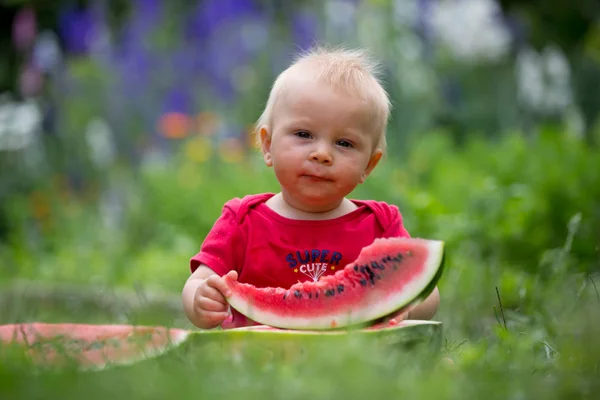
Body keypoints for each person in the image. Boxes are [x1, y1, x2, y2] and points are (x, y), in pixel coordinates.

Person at [182, 46, 440, 330]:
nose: (322, 153)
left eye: (344, 143)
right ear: (267, 146)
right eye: (303, 135)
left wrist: (404, 302)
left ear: (369, 164)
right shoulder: (241, 220)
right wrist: (200, 299)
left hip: (355, 362)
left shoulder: (381, 224)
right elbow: (198, 281)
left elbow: (427, 292)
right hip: (258, 360)